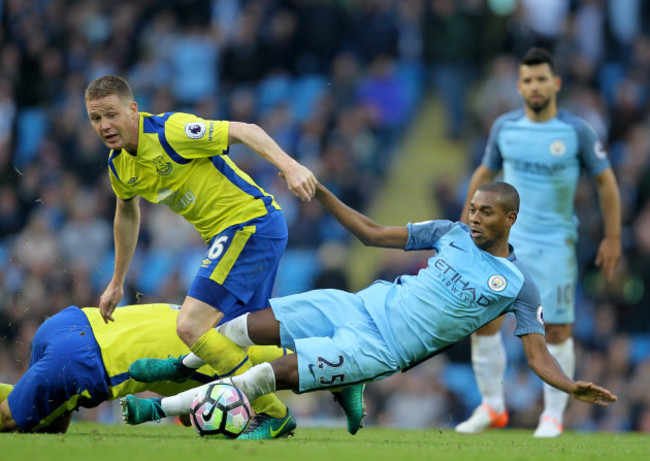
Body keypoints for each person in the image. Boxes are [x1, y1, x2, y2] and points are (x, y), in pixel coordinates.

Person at [121, 182, 617, 434]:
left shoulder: (517, 285)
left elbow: (536, 355)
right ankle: (182, 367)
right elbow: (372, 234)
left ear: (510, 218)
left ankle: (155, 410)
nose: (474, 219)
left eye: (486, 213)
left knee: (267, 376)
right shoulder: (449, 233)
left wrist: (570, 386)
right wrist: (321, 193)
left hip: (380, 348)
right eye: (472, 209)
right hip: (357, 305)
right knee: (237, 330)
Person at [84, 75, 317, 439]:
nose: (104, 126)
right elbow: (126, 215)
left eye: (111, 115)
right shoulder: (120, 167)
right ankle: (337, 371)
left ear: (133, 109)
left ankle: (275, 415)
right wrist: (117, 281)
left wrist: (290, 166)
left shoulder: (169, 132)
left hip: (249, 224)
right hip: (238, 234)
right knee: (240, 340)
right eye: (96, 119)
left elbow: (245, 129)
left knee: (191, 326)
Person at [455, 48, 621, 438]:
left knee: (557, 330)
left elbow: (606, 182)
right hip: (506, 245)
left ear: (555, 83)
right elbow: (484, 171)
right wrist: (467, 225)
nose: (534, 86)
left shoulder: (576, 131)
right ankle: (492, 407)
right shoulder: (505, 128)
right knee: (485, 322)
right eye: (527, 80)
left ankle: (552, 416)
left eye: (541, 79)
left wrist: (613, 236)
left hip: (555, 246)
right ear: (519, 86)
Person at [0, 303, 291, 433]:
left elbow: (191, 414)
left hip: (70, 322)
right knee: (9, 419)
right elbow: (200, 417)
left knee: (45, 426)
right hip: (85, 359)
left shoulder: (210, 317)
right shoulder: (230, 366)